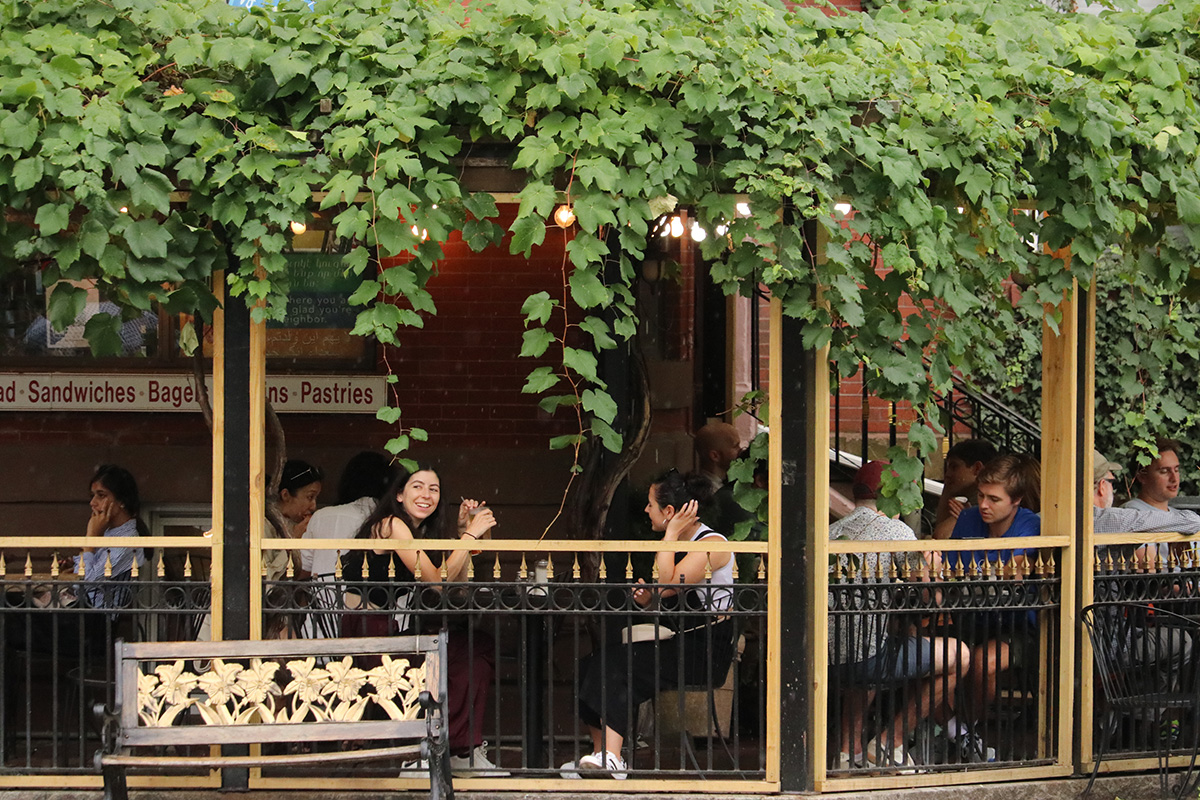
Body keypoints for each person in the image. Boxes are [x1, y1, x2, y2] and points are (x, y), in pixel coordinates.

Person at [561, 470, 736, 780]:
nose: (645, 510)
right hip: (683, 642)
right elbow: (669, 594)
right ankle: (600, 756)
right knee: (591, 664)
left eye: (651, 504)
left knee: (618, 665)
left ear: (669, 511)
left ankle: (613, 758)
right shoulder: (682, 543)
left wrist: (670, 536)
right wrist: (650, 601)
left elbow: (669, 583)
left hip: (705, 651)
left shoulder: (711, 544)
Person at [341, 465, 505, 776]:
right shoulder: (392, 525)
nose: (425, 495)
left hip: (395, 631)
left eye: (434, 489)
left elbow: (457, 585)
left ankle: (459, 751)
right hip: (369, 633)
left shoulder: (418, 532)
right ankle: (424, 751)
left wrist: (462, 534)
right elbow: (437, 583)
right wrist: (469, 536)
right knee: (463, 652)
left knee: (474, 648)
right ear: (399, 495)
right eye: (417, 486)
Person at [829, 462, 968, 771]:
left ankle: (847, 753)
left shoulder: (832, 530)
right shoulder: (896, 531)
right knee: (959, 656)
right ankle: (889, 743)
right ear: (892, 494)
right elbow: (931, 599)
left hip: (825, 657)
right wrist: (932, 565)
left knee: (871, 643)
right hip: (865, 659)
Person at [944, 454, 1040, 762]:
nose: (983, 505)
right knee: (929, 656)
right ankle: (959, 732)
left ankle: (965, 730)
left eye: (994, 499)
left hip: (1018, 625)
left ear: (1016, 500)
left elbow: (1015, 570)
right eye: (981, 496)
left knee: (984, 660)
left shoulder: (1031, 523)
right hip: (969, 618)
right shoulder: (968, 518)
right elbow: (949, 570)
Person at [300, 451, 393, 579]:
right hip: (369, 592)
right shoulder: (390, 521)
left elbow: (302, 567)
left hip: (324, 592)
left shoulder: (321, 516)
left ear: (348, 482)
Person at [77, 464, 147, 610]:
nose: (92, 503)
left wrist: (91, 537)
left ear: (122, 501)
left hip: (97, 617)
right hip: (79, 610)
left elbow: (84, 583)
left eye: (101, 495)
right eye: (92, 495)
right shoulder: (108, 533)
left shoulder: (127, 541)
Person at [1122, 438, 1185, 567]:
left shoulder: (1181, 516)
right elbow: (1150, 572)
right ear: (1142, 476)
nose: (1174, 478)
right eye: (1164, 471)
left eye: (1176, 470)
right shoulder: (1132, 514)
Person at [265, 459, 323, 582]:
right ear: (285, 495)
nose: (313, 506)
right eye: (310, 497)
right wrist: (292, 540)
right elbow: (266, 581)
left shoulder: (295, 526)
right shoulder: (263, 526)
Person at [933, 439, 998, 539]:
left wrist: (966, 517)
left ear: (977, 468)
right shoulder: (963, 500)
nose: (947, 474)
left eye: (954, 467)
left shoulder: (988, 505)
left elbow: (940, 537)